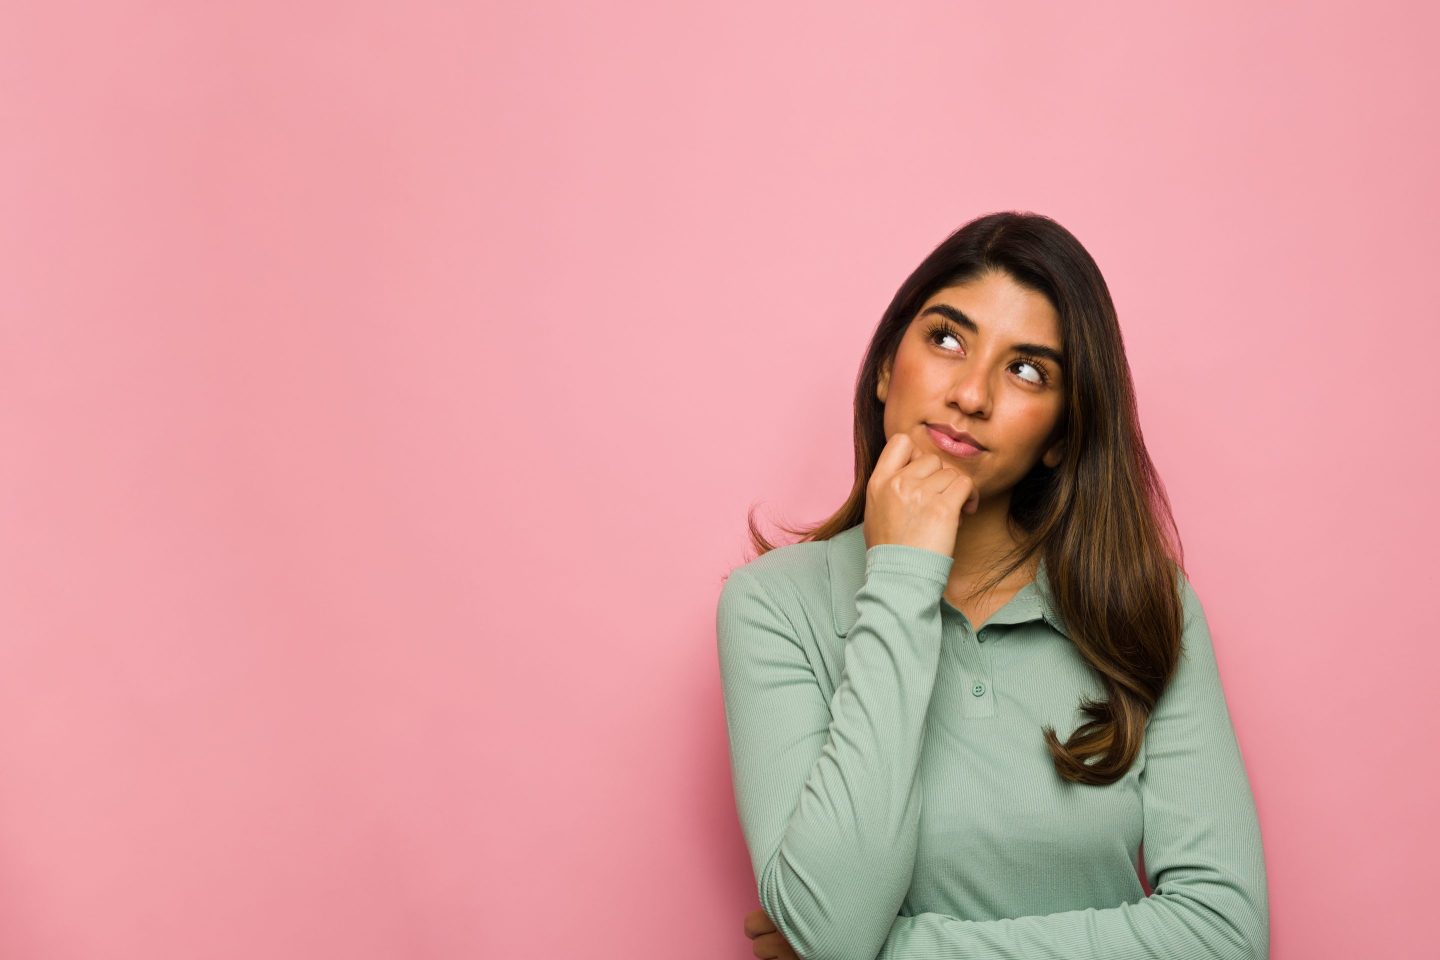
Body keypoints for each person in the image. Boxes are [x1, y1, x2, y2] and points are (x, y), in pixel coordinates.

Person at [714, 212, 1269, 960]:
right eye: (946, 338)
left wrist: (897, 954)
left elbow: (1222, 936)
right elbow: (834, 925)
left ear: (1061, 439)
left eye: (1026, 370)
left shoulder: (1145, 607)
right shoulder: (775, 608)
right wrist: (904, 575)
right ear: (885, 368)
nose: (971, 394)